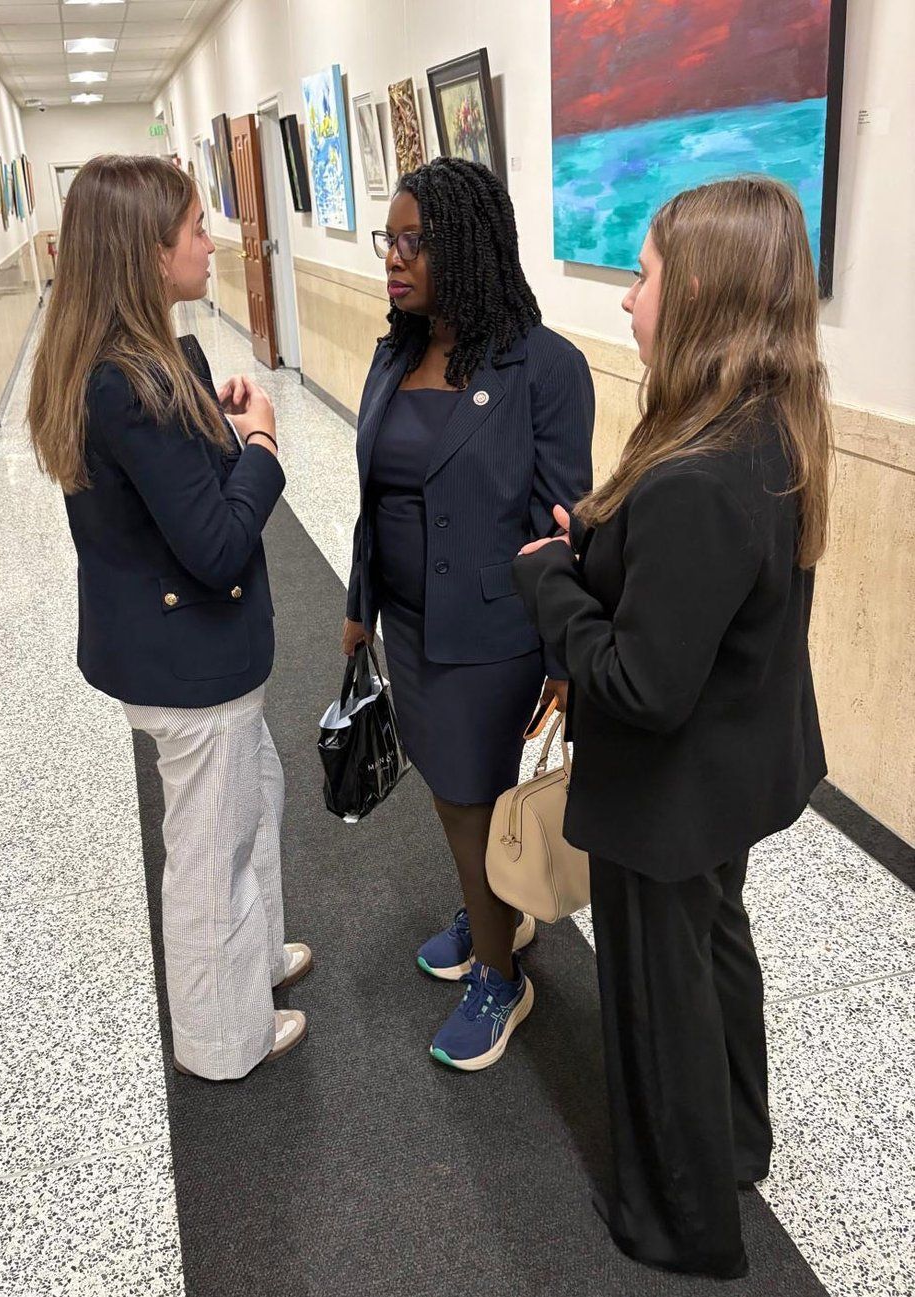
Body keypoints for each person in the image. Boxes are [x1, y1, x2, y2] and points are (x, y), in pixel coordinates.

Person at [514, 176, 830, 1276]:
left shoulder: (697, 469)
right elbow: (683, 590)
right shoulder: (758, 424)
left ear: (693, 289)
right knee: (714, 949)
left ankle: (681, 1220)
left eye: (639, 277)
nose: (625, 301)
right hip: (735, 769)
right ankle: (737, 1139)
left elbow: (641, 684)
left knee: (660, 992)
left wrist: (551, 581)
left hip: (668, 788)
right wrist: (595, 542)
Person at [28, 155, 310, 1082]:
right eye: (196, 226)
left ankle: (257, 963)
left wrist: (225, 423)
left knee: (252, 800)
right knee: (209, 854)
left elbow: (180, 486)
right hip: (188, 659)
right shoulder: (124, 383)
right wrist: (264, 441)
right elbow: (218, 544)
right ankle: (223, 1039)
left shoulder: (157, 359)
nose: (212, 239)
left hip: (186, 650)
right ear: (150, 252)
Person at [343, 157, 594, 1071]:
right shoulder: (395, 349)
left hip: (491, 636)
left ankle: (501, 975)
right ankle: (487, 902)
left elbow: (565, 527)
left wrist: (564, 658)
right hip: (407, 624)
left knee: (464, 795)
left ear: (470, 248)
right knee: (463, 793)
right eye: (390, 239)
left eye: (416, 242)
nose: (394, 259)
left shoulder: (546, 367)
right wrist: (359, 603)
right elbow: (375, 493)